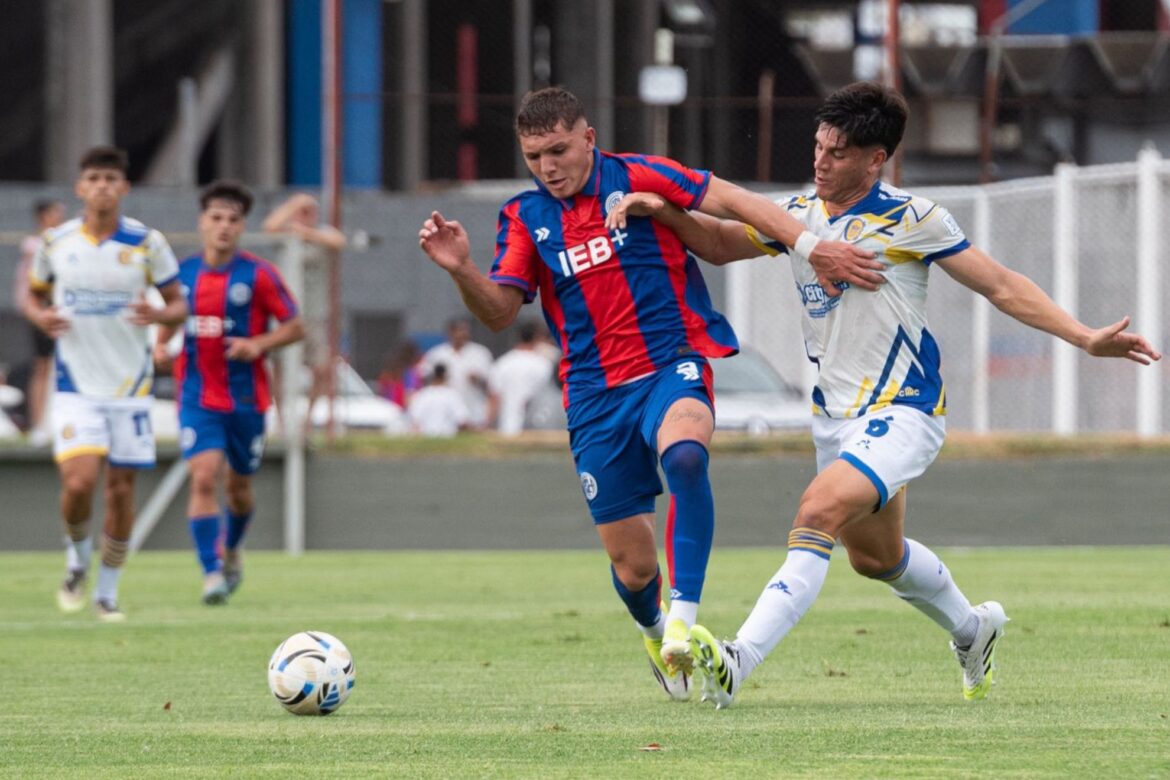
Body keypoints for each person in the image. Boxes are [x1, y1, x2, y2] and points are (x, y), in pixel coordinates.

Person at [605, 81, 1163, 708]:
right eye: (818, 146)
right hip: (836, 417)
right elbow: (715, 243)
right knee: (875, 558)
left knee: (815, 512)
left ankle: (739, 659)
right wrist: (663, 210)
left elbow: (1002, 286)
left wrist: (1085, 337)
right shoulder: (799, 217)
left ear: (876, 159)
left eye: (838, 152)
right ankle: (973, 628)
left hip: (904, 410)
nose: (820, 160)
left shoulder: (913, 219)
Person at [418, 85, 880, 701]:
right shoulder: (524, 217)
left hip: (672, 362)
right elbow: (501, 313)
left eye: (558, 150)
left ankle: (683, 625)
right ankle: (656, 628)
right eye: (534, 158)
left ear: (588, 138)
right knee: (633, 568)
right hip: (593, 396)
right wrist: (461, 270)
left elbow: (735, 201)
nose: (548, 168)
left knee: (686, 454)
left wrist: (811, 246)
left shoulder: (642, 174)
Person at [24, 146, 187, 621]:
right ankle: (77, 559)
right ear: (80, 187)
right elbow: (33, 299)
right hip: (75, 386)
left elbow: (179, 304)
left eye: (110, 179)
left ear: (124, 188)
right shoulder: (56, 243)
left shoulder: (146, 242)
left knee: (119, 491)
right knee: (79, 482)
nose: (102, 186)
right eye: (93, 178)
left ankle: (107, 592)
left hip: (130, 389)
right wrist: (42, 317)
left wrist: (159, 316)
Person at [153, 180, 304, 605]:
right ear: (202, 222)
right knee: (203, 477)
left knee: (238, 488)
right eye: (216, 218)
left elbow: (295, 326)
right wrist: (161, 346)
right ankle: (210, 572)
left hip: (247, 400)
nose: (224, 227)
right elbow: (167, 320)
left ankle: (233, 548)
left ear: (242, 227)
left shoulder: (258, 274)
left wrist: (257, 345)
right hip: (198, 397)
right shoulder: (182, 275)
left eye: (233, 220)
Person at [261, 193, 346, 427]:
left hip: (315, 314)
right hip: (284, 314)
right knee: (279, 367)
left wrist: (305, 232)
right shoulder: (285, 235)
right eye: (302, 211)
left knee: (321, 367)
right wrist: (293, 204)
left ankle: (308, 419)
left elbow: (338, 241)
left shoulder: (322, 234)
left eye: (310, 210)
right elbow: (269, 227)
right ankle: (281, 420)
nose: (306, 215)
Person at [13, 198, 67, 445]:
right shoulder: (36, 245)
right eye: (56, 212)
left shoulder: (65, 241)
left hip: (64, 313)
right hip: (44, 313)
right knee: (43, 367)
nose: (61, 216)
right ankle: (38, 424)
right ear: (44, 216)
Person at [418, 317, 494, 428]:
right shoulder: (437, 354)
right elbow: (423, 376)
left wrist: (478, 379)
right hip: (446, 412)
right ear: (451, 332)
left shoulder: (480, 353)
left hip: (474, 408)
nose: (462, 334)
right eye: (459, 330)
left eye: (465, 330)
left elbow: (492, 383)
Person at [487, 320, 555, 436]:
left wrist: (487, 425)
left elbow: (494, 399)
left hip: (507, 428)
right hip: (540, 426)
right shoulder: (544, 364)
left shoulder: (502, 363)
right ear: (536, 338)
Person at [406, 363, 470, 437]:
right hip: (448, 440)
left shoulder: (422, 394)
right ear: (445, 376)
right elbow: (462, 421)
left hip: (426, 440)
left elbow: (414, 420)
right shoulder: (452, 395)